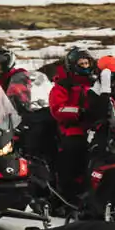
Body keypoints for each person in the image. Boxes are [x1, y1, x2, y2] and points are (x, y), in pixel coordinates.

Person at [47, 48, 99, 201]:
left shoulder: (96, 82)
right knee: (75, 151)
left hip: (96, 126)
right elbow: (57, 109)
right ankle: (67, 193)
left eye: (86, 62)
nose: (84, 66)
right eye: (81, 63)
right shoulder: (63, 85)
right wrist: (79, 112)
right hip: (73, 128)